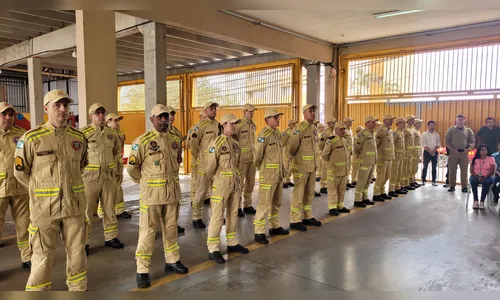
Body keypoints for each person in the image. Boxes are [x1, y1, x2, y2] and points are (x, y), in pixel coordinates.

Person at [15, 89, 88, 291]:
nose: (63, 109)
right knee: (42, 257)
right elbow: (21, 173)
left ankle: (79, 290)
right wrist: (40, 191)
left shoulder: (78, 138)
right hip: (44, 210)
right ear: (46, 108)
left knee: (77, 254)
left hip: (74, 207)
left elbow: (81, 165)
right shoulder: (31, 138)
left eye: (66, 105)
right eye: (57, 105)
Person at [127, 104, 189, 289]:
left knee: (171, 229)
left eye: (166, 117)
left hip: (171, 194)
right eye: (160, 117)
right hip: (151, 196)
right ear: (152, 119)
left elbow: (177, 160)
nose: (164, 120)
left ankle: (172, 261)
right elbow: (132, 168)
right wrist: (145, 182)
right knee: (147, 232)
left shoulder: (175, 139)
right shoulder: (142, 141)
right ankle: (142, 270)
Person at [81, 103, 124, 255]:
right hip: (89, 178)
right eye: (97, 113)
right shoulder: (83, 133)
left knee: (109, 208)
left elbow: (116, 152)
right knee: (86, 210)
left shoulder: (112, 134)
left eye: (102, 113)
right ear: (90, 116)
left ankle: (111, 237)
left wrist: (116, 171)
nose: (100, 116)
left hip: (108, 177)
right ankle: (84, 242)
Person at [206, 113, 249, 263]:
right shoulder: (216, 144)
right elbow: (210, 168)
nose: (234, 126)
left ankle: (232, 243)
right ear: (224, 125)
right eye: (231, 124)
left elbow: (237, 164)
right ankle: (213, 248)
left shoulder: (235, 144)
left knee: (232, 213)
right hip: (221, 184)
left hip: (234, 183)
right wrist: (218, 179)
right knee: (217, 217)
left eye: (235, 124)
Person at [0, 102, 31, 268]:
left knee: (24, 224)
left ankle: (27, 258)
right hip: (0, 188)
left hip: (19, 187)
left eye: (10, 115)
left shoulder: (22, 135)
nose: (7, 118)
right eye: (3, 114)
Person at [253, 109, 289, 244]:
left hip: (278, 175)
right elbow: (257, 156)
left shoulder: (278, 134)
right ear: (268, 120)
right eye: (276, 117)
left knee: (276, 202)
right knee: (264, 203)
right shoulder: (264, 135)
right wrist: (262, 169)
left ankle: (275, 226)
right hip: (268, 175)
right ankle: (259, 231)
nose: (278, 119)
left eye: (278, 117)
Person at [288, 104, 322, 231]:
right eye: (310, 111)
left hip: (312, 166)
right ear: (304, 113)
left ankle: (307, 216)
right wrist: (296, 160)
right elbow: (292, 147)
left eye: (314, 111)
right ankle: (295, 219)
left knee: (309, 193)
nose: (313, 113)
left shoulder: (313, 128)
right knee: (298, 193)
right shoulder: (299, 128)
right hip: (301, 167)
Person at [189, 102, 220, 228]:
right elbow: (193, 145)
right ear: (205, 110)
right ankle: (196, 217)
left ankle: (215, 216)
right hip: (203, 164)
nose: (214, 111)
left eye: (215, 109)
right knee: (201, 192)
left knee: (216, 192)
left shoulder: (218, 125)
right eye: (211, 109)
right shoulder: (199, 126)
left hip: (215, 164)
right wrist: (200, 157)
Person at [96, 113, 132, 219]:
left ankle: (119, 210)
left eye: (118, 121)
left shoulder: (118, 134)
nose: (118, 123)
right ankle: (102, 211)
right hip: (108, 164)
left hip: (117, 163)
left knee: (117, 187)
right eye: (115, 121)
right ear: (108, 122)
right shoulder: (104, 134)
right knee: (106, 189)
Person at [233, 104, 257, 217]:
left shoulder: (253, 125)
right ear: (245, 111)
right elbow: (234, 141)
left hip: (252, 158)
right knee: (240, 184)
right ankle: (237, 206)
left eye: (253, 111)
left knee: (250, 183)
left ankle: (248, 204)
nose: (252, 113)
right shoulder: (239, 125)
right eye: (251, 111)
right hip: (242, 159)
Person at [322, 121, 351, 216]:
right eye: (341, 129)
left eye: (344, 129)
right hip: (334, 170)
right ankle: (332, 207)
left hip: (343, 170)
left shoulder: (345, 141)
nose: (343, 131)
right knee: (332, 190)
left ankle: (340, 206)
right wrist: (332, 164)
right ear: (336, 130)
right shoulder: (331, 140)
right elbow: (325, 155)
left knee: (341, 190)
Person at [166, 106, 186, 233]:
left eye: (173, 114)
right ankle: (162, 225)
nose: (172, 117)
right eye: (169, 114)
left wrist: (179, 157)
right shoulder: (159, 132)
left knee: (175, 199)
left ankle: (173, 223)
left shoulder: (176, 132)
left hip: (174, 171)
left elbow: (179, 149)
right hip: (161, 172)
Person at [445, 114, 475, 193]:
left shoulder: (468, 130)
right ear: (456, 120)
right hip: (453, 153)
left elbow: (472, 141)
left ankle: (464, 186)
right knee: (452, 170)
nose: (460, 121)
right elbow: (447, 141)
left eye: (462, 119)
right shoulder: (451, 129)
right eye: (459, 119)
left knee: (464, 170)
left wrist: (468, 149)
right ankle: (452, 186)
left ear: (464, 121)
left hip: (464, 153)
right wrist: (452, 149)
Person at [353, 116, 378, 207]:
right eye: (372, 122)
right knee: (362, 180)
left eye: (375, 122)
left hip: (371, 161)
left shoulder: (373, 133)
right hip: (365, 161)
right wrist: (359, 157)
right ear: (367, 123)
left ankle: (364, 197)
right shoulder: (363, 133)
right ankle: (358, 199)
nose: (374, 123)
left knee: (367, 181)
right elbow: (357, 147)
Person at [373, 114, 396, 202]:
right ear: (385, 120)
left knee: (387, 176)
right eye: (390, 120)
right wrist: (378, 154)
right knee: (380, 176)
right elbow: (376, 143)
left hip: (389, 157)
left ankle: (382, 192)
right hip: (382, 157)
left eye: (392, 120)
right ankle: (376, 194)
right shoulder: (381, 130)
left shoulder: (389, 130)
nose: (392, 121)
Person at [187, 111, 207, 204]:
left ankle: (206, 196)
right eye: (204, 116)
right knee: (196, 180)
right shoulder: (194, 129)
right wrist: (197, 155)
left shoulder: (212, 126)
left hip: (206, 159)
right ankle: (193, 198)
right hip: (197, 158)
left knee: (205, 180)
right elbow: (190, 144)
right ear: (200, 116)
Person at [469, 144, 496, 210]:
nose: (484, 151)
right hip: (476, 175)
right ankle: (475, 200)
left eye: (485, 150)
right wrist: (477, 177)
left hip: (488, 176)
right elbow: (471, 171)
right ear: (479, 151)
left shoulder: (491, 159)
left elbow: (492, 172)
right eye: (482, 150)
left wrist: (484, 177)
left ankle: (482, 201)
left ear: (487, 151)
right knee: (473, 181)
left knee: (486, 182)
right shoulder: (475, 159)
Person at [389, 117, 407, 197]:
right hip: (395, 156)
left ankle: (397, 187)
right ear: (398, 124)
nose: (405, 124)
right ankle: (391, 189)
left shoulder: (401, 132)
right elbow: (391, 144)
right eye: (403, 122)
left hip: (401, 156)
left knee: (399, 172)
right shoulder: (395, 133)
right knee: (394, 173)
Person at [317, 117, 336, 194]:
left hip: (333, 154)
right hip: (326, 153)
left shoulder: (334, 131)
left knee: (331, 170)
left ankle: (329, 184)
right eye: (333, 122)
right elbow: (321, 144)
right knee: (324, 170)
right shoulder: (325, 133)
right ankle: (323, 186)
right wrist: (324, 151)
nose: (334, 124)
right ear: (329, 123)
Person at [421, 120, 441, 186]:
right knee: (425, 167)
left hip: (434, 152)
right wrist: (430, 151)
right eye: (431, 125)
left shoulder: (437, 135)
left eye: (433, 125)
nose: (432, 127)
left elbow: (438, 144)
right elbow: (424, 144)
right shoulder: (424, 134)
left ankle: (434, 181)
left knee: (434, 167)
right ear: (428, 126)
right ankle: (423, 180)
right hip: (427, 152)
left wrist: (433, 151)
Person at [402, 115, 416, 191]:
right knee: (404, 169)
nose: (414, 121)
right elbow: (402, 142)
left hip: (410, 153)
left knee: (408, 169)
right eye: (413, 119)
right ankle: (402, 184)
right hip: (405, 153)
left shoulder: (411, 129)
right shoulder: (405, 130)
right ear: (409, 120)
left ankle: (407, 183)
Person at [282, 119, 297, 188]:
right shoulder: (286, 132)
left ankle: (288, 180)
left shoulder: (297, 131)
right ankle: (283, 181)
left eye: (294, 124)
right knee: (286, 167)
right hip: (286, 152)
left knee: (291, 167)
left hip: (293, 152)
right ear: (289, 125)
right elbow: (283, 142)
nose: (294, 125)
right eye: (293, 124)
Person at [410, 119, 423, 188]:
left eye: (420, 123)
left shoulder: (417, 131)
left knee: (415, 168)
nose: (420, 125)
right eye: (419, 123)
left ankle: (413, 180)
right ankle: (410, 181)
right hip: (413, 152)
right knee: (412, 167)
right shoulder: (413, 131)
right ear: (415, 124)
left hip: (417, 152)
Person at [344, 117, 355, 188]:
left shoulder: (350, 130)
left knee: (348, 167)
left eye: (351, 121)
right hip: (345, 151)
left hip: (350, 152)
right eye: (350, 121)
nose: (351, 123)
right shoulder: (343, 130)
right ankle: (344, 183)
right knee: (345, 167)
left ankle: (348, 181)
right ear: (346, 122)